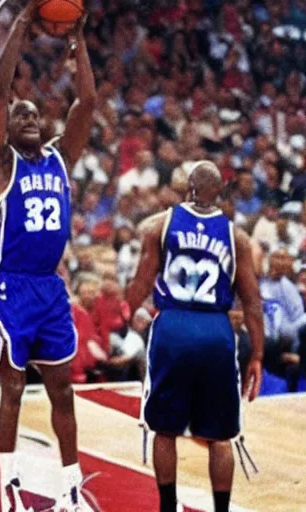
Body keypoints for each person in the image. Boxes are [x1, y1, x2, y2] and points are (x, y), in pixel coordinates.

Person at [0, 0, 96, 509]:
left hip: (48, 286)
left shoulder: (59, 158)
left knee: (63, 390)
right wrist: (24, 25)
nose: (27, 116)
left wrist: (79, 40)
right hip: (8, 283)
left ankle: (71, 485)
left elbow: (86, 103)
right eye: (18, 114)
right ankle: (10, 483)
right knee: (13, 388)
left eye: (33, 113)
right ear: (6, 127)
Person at [126, 161, 264, 512]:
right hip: (215, 332)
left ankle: (168, 507)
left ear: (188, 187)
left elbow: (140, 283)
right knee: (220, 437)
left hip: (172, 327)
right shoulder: (237, 237)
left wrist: (130, 314)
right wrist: (258, 355)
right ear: (218, 193)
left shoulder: (161, 225)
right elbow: (252, 301)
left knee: (164, 430)